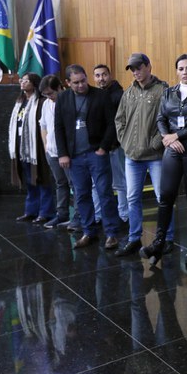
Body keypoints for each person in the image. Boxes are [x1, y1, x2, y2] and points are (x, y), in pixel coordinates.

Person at [140, 54, 187, 265]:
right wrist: (167, 138)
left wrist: (176, 136)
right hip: (172, 146)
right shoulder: (169, 92)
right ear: (176, 71)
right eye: (181, 68)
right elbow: (161, 118)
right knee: (166, 195)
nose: (184, 72)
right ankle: (158, 243)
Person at [54, 64, 122, 250]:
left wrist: (103, 148)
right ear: (68, 83)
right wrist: (63, 154)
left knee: (104, 193)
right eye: (76, 83)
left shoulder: (100, 95)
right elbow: (58, 127)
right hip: (74, 157)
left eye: (83, 81)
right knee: (82, 195)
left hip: (96, 153)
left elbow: (112, 124)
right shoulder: (63, 98)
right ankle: (88, 232)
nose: (81, 85)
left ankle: (111, 233)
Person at [114, 53, 170, 257]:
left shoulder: (162, 90)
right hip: (132, 156)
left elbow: (168, 119)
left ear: (149, 66)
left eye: (139, 68)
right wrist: (125, 142)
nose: (136, 72)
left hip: (155, 156)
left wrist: (156, 143)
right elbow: (119, 119)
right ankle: (134, 238)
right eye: (133, 69)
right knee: (132, 197)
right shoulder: (128, 92)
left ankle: (167, 238)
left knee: (162, 197)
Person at [8, 72, 54, 223]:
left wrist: (45, 144)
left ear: (34, 84)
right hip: (23, 148)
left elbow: (45, 125)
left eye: (26, 81)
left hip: (38, 147)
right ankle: (31, 211)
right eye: (22, 80)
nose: (22, 82)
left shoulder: (41, 102)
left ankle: (45, 212)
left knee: (42, 179)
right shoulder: (20, 102)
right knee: (29, 180)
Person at [92, 64, 129, 224]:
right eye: (97, 75)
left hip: (115, 147)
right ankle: (98, 215)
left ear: (110, 75)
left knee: (119, 183)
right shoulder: (94, 95)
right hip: (97, 147)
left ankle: (124, 215)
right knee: (95, 183)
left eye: (104, 75)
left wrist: (113, 143)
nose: (101, 78)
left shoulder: (119, 95)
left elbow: (120, 123)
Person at [39, 75, 74, 229]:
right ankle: (61, 215)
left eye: (51, 93)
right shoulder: (46, 104)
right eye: (45, 94)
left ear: (60, 88)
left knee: (74, 184)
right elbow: (43, 126)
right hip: (52, 152)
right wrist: (46, 146)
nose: (49, 97)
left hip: (68, 152)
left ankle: (79, 217)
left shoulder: (69, 100)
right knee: (60, 183)